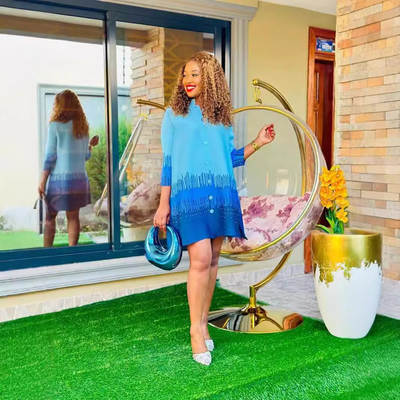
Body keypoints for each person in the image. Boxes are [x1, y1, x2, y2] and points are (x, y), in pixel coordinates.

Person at [153, 52, 276, 366]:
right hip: (189, 197)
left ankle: (204, 322)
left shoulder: (222, 118)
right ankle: (195, 330)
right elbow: (168, 163)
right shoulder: (173, 116)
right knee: (201, 259)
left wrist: (258, 142)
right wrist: (163, 204)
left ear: (210, 78)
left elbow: (229, 158)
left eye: (194, 74)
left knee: (213, 261)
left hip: (220, 195)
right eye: (185, 75)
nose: (188, 80)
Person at [38, 90, 99, 247]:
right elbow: (85, 157)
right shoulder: (82, 127)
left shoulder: (55, 126)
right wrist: (90, 147)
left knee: (50, 218)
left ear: (59, 106)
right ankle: (73, 253)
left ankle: (48, 253)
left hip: (60, 182)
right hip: (79, 182)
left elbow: (50, 156)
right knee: (73, 218)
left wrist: (42, 181)